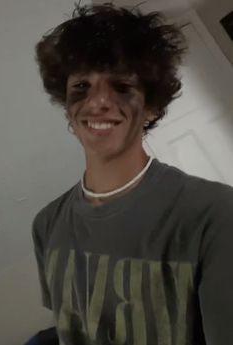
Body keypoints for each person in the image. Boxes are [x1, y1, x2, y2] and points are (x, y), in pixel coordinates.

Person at [32, 3, 233, 345]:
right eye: (81, 87)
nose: (97, 102)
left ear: (152, 107)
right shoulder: (46, 224)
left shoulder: (214, 212)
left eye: (121, 87)